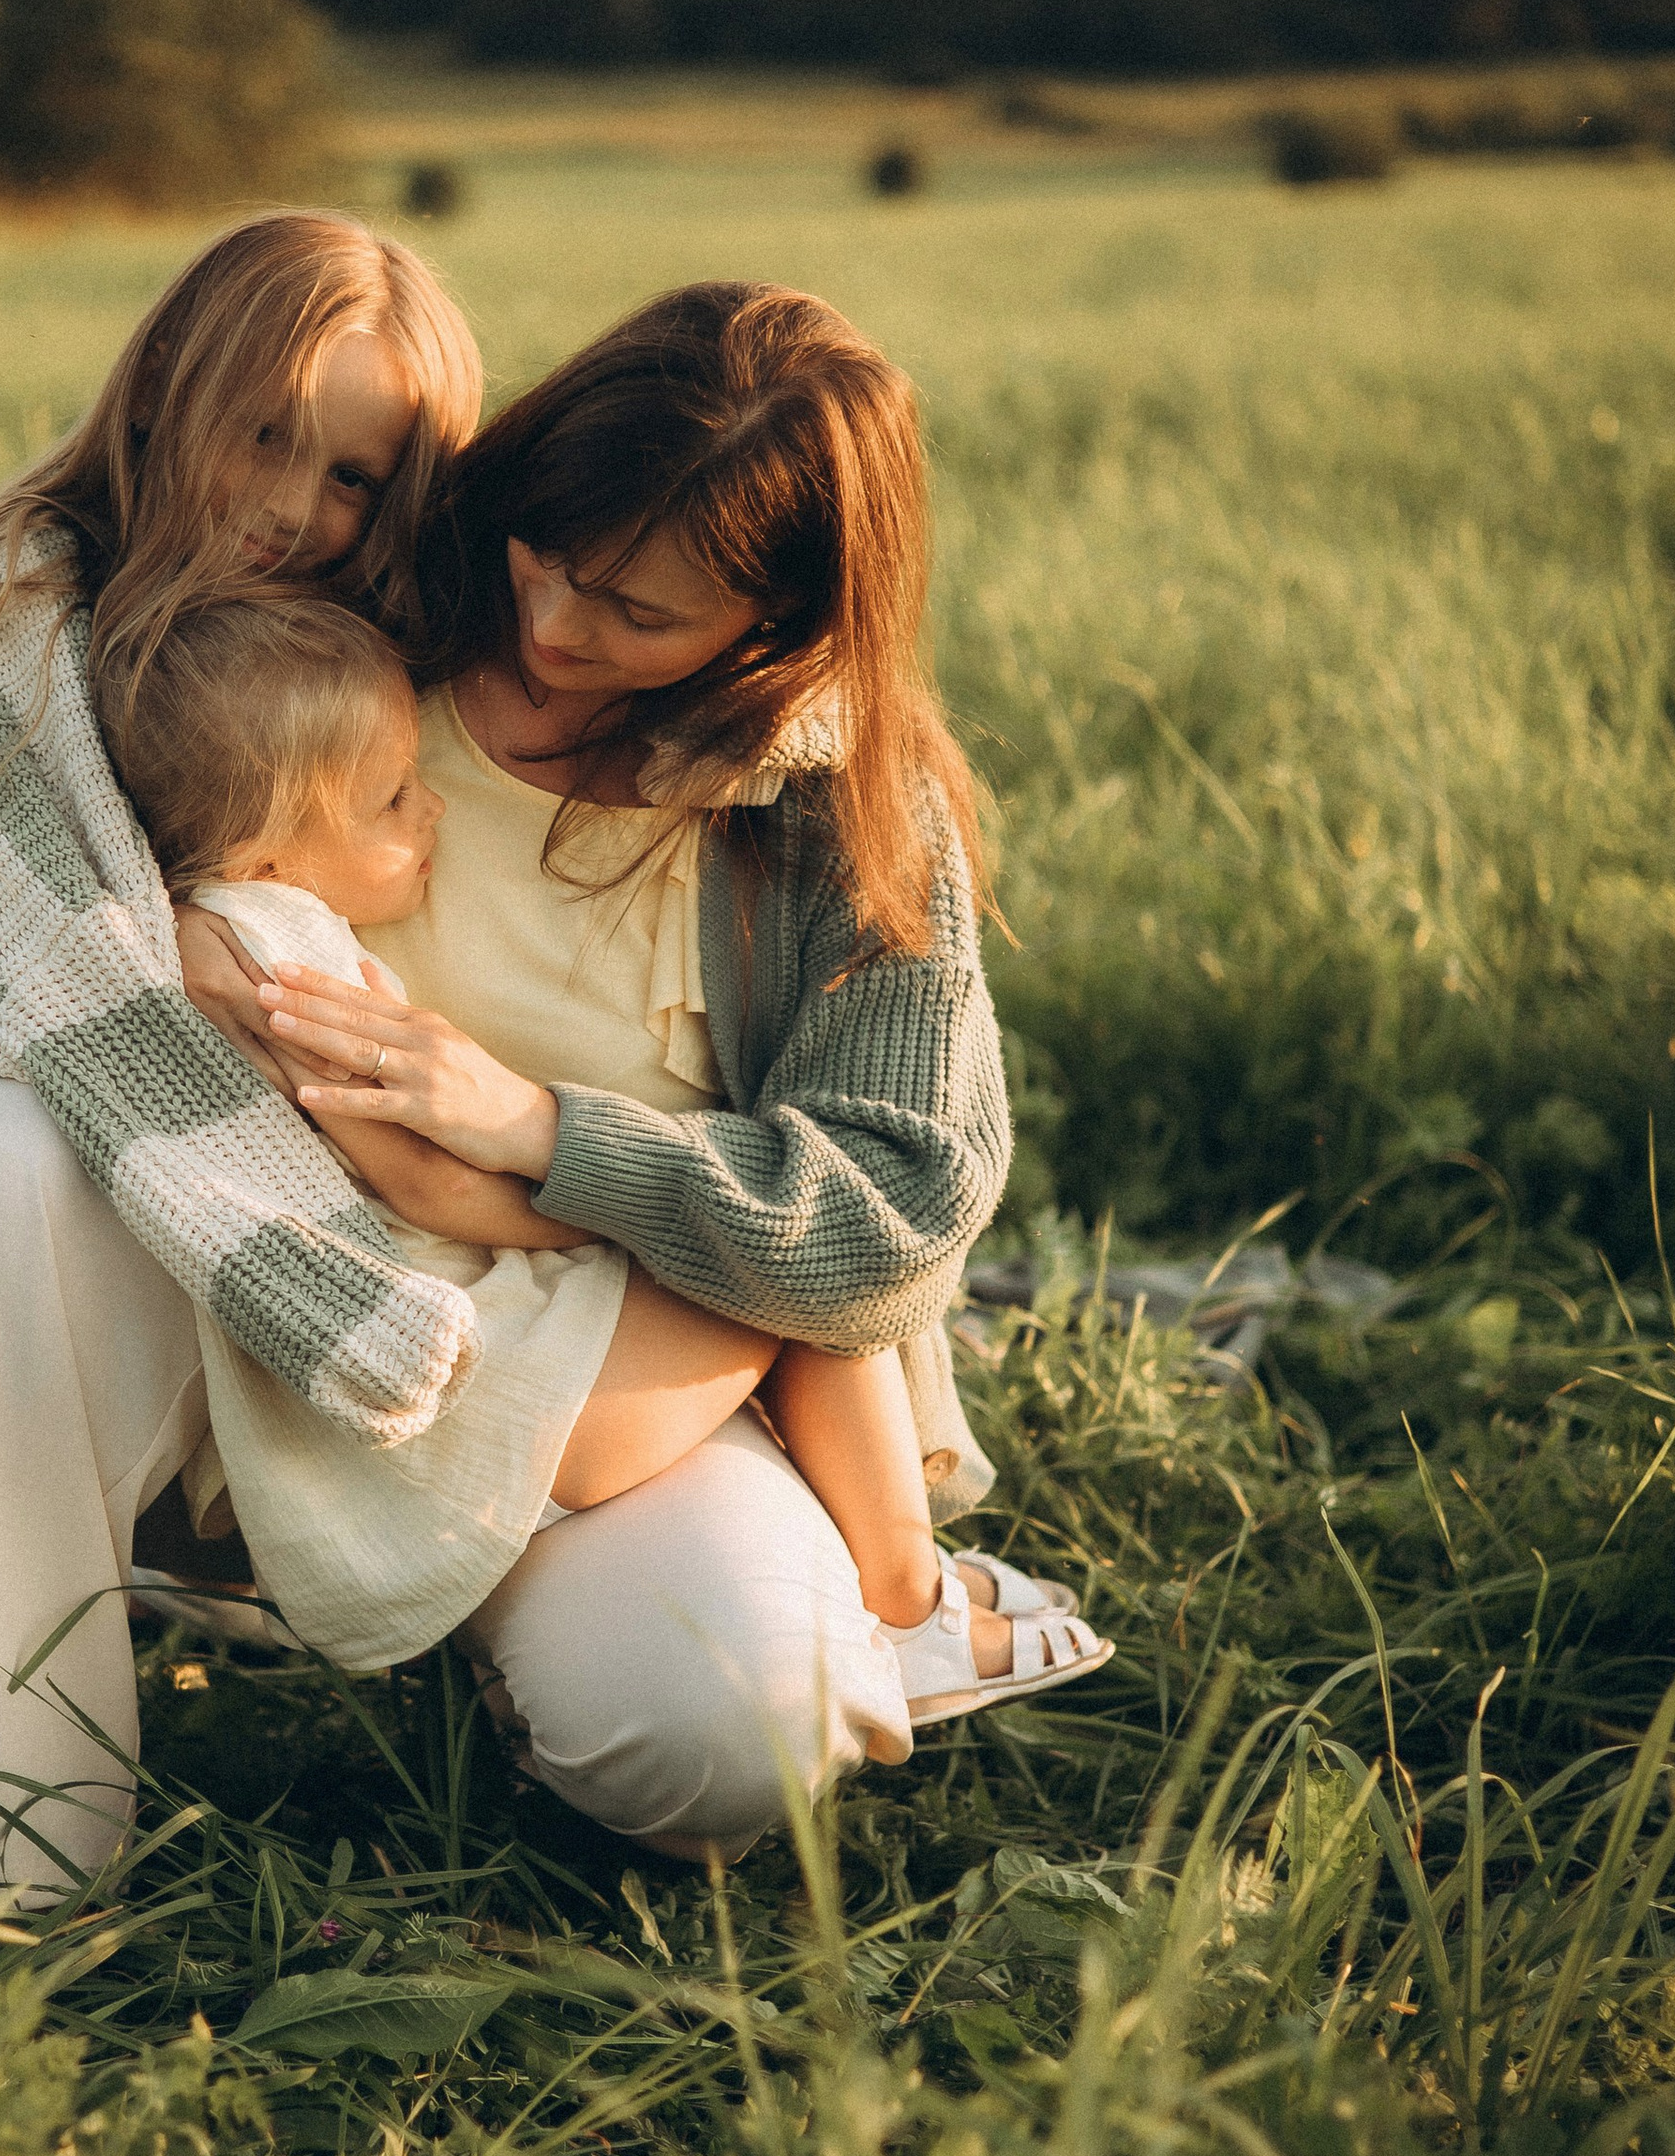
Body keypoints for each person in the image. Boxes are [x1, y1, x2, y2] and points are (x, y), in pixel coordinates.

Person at [0, 207, 487, 1889]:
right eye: (269, 443)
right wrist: (204, 982)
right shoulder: (1, 621)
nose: (301, 512)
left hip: (378, 1145)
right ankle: (27, 1846)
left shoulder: (388, 629)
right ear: (166, 391)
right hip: (64, 1122)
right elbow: (55, 964)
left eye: (359, 477)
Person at [108, 584, 1111, 1710]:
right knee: (790, 1277)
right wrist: (624, 1202)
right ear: (268, 855)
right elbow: (423, 1182)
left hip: (489, 1338)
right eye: (393, 800)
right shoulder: (294, 983)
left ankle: (901, 1592)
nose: (432, 809)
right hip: (488, 1386)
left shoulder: (260, 932)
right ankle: (911, 1611)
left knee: (776, 1239)